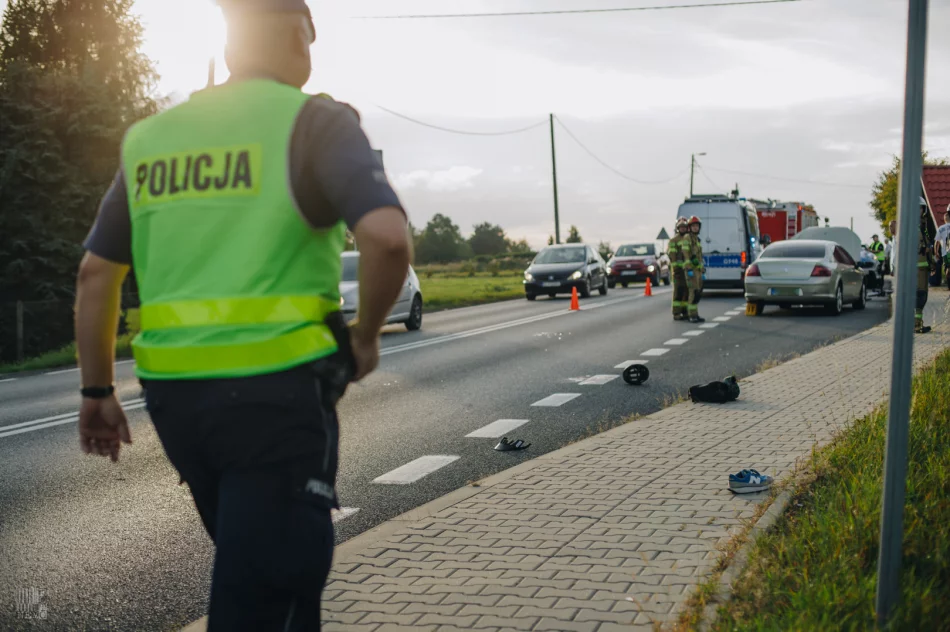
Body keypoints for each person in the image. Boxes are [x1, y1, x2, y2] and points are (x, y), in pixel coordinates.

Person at [72, 1, 411, 629]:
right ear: (298, 35)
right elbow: (388, 240)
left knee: (267, 576)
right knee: (265, 595)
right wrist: (365, 337)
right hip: (277, 395)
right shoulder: (315, 122)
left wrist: (96, 391)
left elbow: (96, 273)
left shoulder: (150, 138)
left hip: (175, 401)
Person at [685, 215, 706, 323]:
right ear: (690, 227)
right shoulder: (687, 238)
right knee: (693, 292)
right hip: (691, 270)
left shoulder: (697, 239)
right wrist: (689, 269)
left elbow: (699, 257)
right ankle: (691, 315)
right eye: (693, 226)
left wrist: (702, 269)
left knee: (698, 293)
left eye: (697, 226)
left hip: (698, 270)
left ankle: (696, 314)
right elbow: (686, 254)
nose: (695, 227)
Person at [668, 217, 689, 321]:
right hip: (678, 271)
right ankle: (676, 313)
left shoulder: (688, 239)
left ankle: (685, 312)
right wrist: (676, 267)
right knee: (678, 292)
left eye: (684, 227)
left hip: (687, 270)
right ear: (678, 228)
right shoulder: (673, 240)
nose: (683, 229)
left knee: (686, 292)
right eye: (681, 227)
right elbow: (672, 255)